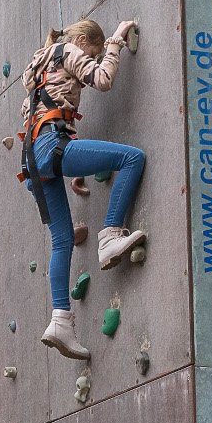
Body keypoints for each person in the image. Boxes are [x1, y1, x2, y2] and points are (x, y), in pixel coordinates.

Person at [20, 18, 145, 360]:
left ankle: (60, 319)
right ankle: (109, 237)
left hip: (33, 162)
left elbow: (47, 108)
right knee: (133, 159)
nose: (91, 57)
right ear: (85, 41)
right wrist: (116, 42)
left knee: (62, 241)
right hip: (51, 149)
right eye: (93, 51)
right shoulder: (69, 50)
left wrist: (73, 164)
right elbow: (102, 80)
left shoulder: (38, 62)